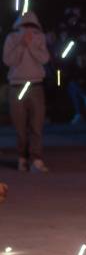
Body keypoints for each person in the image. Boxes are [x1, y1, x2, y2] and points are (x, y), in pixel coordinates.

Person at [5, 11, 51, 172]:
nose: (27, 29)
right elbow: (8, 60)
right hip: (17, 86)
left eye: (30, 26)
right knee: (20, 127)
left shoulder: (40, 38)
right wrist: (22, 45)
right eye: (24, 26)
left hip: (35, 85)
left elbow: (44, 59)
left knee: (36, 126)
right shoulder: (11, 39)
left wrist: (31, 45)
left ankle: (36, 159)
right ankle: (22, 158)